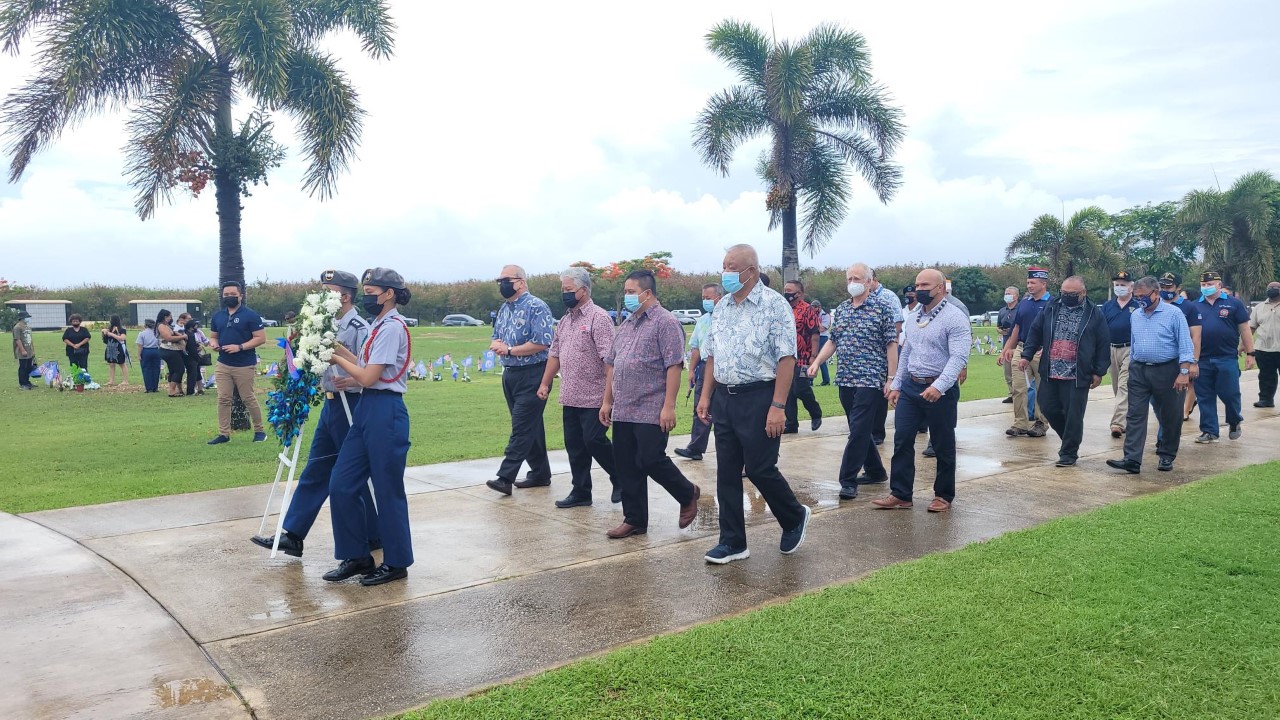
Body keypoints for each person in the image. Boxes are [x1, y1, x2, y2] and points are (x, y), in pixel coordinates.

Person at [251, 270, 381, 559]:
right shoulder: (320, 322)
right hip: (332, 404)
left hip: (353, 404)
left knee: (352, 474)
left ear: (344, 296)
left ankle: (373, 534)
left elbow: (372, 368)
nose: (322, 296)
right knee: (316, 470)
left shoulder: (360, 327)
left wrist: (357, 379)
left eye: (328, 291)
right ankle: (293, 535)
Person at [697, 244, 811, 564]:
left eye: (732, 267)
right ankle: (733, 542)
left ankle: (793, 516)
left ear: (752, 271)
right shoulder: (721, 308)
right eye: (724, 266)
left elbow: (787, 358)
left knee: (760, 468)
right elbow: (712, 356)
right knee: (727, 473)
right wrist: (706, 396)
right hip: (725, 397)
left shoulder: (774, 305)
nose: (726, 272)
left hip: (761, 397)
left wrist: (778, 406)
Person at [323, 268, 415, 586]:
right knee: (341, 483)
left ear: (389, 293)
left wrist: (334, 358)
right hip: (367, 410)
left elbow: (367, 377)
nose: (366, 296)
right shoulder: (378, 324)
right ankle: (357, 555)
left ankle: (397, 561)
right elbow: (362, 363)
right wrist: (334, 347)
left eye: (371, 290)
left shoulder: (392, 328)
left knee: (388, 490)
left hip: (385, 410)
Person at [599, 270, 701, 538]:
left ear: (647, 292)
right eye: (626, 292)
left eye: (631, 292)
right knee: (626, 464)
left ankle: (686, 492)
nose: (627, 296)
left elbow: (673, 366)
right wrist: (607, 401)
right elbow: (612, 364)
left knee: (650, 459)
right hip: (624, 407)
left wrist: (669, 406)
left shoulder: (665, 322)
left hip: (651, 407)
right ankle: (635, 519)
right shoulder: (628, 324)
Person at [874, 269, 970, 512]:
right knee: (902, 439)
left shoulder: (954, 317)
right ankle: (901, 493)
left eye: (925, 285)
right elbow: (907, 352)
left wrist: (939, 386)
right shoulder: (914, 316)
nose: (919, 290)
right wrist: (896, 384)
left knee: (942, 444)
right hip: (911, 387)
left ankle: (943, 495)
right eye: (917, 285)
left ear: (940, 288)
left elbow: (959, 357)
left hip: (940, 388)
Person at [807, 263, 897, 499]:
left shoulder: (882, 308)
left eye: (857, 278)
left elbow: (891, 344)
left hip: (870, 378)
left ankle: (847, 480)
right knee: (859, 428)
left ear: (869, 282)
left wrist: (891, 378)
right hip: (846, 377)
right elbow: (833, 340)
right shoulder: (843, 309)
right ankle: (876, 471)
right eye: (849, 279)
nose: (852, 283)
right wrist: (817, 362)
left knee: (857, 430)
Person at [537, 267, 620, 507]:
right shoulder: (564, 321)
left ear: (583, 291)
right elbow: (555, 354)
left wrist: (609, 399)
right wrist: (545, 383)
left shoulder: (599, 318)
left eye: (568, 289)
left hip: (595, 395)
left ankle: (620, 476)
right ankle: (581, 491)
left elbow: (609, 362)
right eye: (563, 289)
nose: (564, 293)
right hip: (570, 394)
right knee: (574, 446)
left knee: (594, 440)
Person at [1106, 277, 1194, 473]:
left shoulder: (1174, 314)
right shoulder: (1136, 315)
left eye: (1144, 296)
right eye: (1137, 297)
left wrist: (1184, 372)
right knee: (1135, 414)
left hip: (1168, 370)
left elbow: (1185, 344)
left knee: (1170, 415)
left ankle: (1166, 455)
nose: (1140, 300)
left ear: (1156, 292)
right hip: (1139, 370)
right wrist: (1132, 365)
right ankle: (1132, 459)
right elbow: (1134, 342)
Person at [1019, 276, 1110, 467]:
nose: (1066, 297)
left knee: (1073, 415)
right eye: (1064, 293)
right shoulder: (1051, 307)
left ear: (1083, 293)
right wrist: (1027, 355)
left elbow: (1103, 343)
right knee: (1047, 407)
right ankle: (1070, 439)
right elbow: (1035, 331)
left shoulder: (1094, 313)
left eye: (1072, 294)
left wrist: (1099, 371)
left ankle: (1068, 453)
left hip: (1077, 374)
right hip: (1051, 370)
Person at [486, 264, 555, 495]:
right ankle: (540, 473)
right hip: (511, 374)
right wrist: (498, 346)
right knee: (530, 426)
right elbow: (497, 336)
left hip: (534, 373)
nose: (502, 284)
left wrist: (509, 350)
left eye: (507, 280)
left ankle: (505, 477)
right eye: (500, 280)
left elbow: (543, 342)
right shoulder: (504, 308)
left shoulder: (537, 307)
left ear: (521, 282)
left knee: (521, 427)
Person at [1193, 271, 1254, 442]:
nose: (1206, 287)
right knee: (1204, 395)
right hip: (1202, 358)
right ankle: (1209, 430)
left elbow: (1244, 329)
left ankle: (1234, 420)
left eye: (1210, 284)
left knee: (1230, 393)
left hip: (1226, 357)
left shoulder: (1233, 304)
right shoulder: (1194, 306)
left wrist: (1250, 353)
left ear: (1219, 285)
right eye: (1204, 285)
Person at [208, 282, 267, 444]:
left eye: (232, 294)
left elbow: (260, 338)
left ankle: (260, 431)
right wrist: (213, 343)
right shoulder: (218, 316)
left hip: (244, 364)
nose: (229, 297)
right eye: (226, 295)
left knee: (248, 397)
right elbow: (213, 336)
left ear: (240, 296)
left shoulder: (251, 315)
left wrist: (239, 347)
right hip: (223, 363)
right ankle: (224, 434)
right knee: (223, 399)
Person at [999, 268, 1053, 439]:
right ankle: (1020, 423)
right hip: (1021, 348)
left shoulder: (1052, 303)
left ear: (1043, 284)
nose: (1029, 285)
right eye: (1028, 282)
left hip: (1041, 350)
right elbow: (1017, 328)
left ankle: (1041, 422)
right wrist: (1007, 348)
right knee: (1018, 387)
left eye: (1033, 283)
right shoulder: (1024, 303)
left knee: (1041, 388)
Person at [674, 283, 722, 461]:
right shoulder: (702, 320)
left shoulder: (725, 316)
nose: (705, 301)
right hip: (703, 366)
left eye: (708, 298)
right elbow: (695, 347)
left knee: (723, 411)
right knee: (700, 407)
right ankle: (695, 448)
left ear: (718, 297)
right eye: (703, 298)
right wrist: (692, 370)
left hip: (721, 367)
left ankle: (727, 450)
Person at [1157, 273, 1203, 421]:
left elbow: (1195, 336)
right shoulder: (1155, 304)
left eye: (1168, 286)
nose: (1165, 289)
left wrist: (1194, 362)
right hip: (1160, 358)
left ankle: (1184, 411)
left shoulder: (1189, 308)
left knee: (1184, 387)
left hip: (1181, 357)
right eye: (1162, 286)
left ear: (1178, 287)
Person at [782, 279, 823, 433]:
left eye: (789, 290)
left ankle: (815, 412)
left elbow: (815, 334)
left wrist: (814, 356)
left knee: (801, 388)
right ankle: (791, 423)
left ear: (799, 293)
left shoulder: (807, 310)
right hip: (786, 357)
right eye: (785, 289)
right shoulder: (784, 308)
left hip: (804, 356)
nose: (786, 293)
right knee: (787, 390)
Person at [869, 271, 904, 445]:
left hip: (884, 352)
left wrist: (888, 346)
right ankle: (863, 431)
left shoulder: (888, 297)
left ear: (874, 280)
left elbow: (897, 325)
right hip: (865, 356)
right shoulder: (861, 298)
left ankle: (877, 432)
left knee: (881, 392)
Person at [1100, 271, 1135, 438]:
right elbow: (1100, 329)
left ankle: (1117, 423)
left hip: (1130, 349)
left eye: (1123, 284)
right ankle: (1126, 418)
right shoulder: (1108, 306)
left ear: (1131, 287)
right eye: (1117, 284)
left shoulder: (1138, 305)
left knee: (1124, 385)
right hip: (1111, 349)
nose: (1120, 287)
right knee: (1117, 387)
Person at [1250, 280, 1280, 408]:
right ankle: (1266, 400)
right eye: (1270, 287)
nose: (1272, 289)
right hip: (1263, 349)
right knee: (1266, 376)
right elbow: (1251, 328)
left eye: (1275, 287)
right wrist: (1243, 346)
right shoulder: (1259, 308)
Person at [156, 309, 188, 397]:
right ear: (164, 317)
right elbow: (169, 338)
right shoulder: (161, 326)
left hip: (173, 350)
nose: (170, 318)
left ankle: (174, 389)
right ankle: (171, 390)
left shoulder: (167, 326)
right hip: (168, 350)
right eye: (169, 316)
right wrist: (183, 337)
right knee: (179, 369)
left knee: (173, 370)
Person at [997, 286, 1020, 403]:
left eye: (1009, 293)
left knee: (1018, 372)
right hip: (1006, 342)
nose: (1007, 295)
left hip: (1017, 344)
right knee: (1008, 371)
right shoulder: (1002, 311)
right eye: (1006, 293)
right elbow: (998, 326)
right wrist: (1001, 331)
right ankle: (1011, 393)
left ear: (1016, 296)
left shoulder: (1020, 309)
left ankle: (1019, 395)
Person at [177, 314, 204, 396]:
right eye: (195, 326)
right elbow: (191, 348)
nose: (196, 328)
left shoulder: (187, 333)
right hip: (191, 357)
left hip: (188, 356)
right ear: (191, 327)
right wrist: (197, 356)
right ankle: (190, 391)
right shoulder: (190, 334)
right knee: (192, 374)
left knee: (193, 373)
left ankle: (194, 390)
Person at [135, 318, 162, 392]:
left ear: (145, 325)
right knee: (156, 369)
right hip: (156, 351)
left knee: (146, 369)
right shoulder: (156, 333)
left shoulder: (142, 333)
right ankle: (155, 387)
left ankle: (149, 387)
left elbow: (140, 345)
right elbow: (160, 343)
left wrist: (139, 355)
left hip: (146, 351)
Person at [101, 315, 129, 386]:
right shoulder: (109, 329)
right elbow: (105, 340)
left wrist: (111, 334)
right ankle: (111, 381)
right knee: (111, 364)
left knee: (122, 364)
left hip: (119, 348)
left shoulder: (121, 329)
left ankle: (125, 381)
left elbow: (122, 338)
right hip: (110, 348)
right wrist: (104, 332)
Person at [12, 310, 35, 390]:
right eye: (27, 317)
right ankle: (22, 383)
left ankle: (27, 382)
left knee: (29, 367)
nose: (28, 319)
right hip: (22, 351)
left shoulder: (28, 327)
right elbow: (17, 339)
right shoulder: (17, 327)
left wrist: (32, 350)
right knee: (23, 367)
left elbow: (30, 339)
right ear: (22, 318)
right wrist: (22, 350)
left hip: (29, 350)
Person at [814, 299, 832, 385]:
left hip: (823, 337)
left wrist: (815, 319)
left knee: (821, 359)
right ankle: (810, 380)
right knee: (812, 357)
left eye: (815, 307)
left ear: (819, 307)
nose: (813, 309)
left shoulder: (825, 315)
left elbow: (822, 329)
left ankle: (826, 380)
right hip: (814, 337)